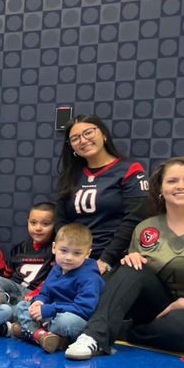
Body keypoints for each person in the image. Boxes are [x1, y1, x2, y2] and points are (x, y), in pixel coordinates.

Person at [66, 156, 184, 359]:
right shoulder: (146, 228)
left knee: (180, 328)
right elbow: (137, 278)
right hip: (159, 308)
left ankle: (126, 332)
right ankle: (94, 336)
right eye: (172, 181)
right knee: (130, 269)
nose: (180, 186)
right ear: (160, 188)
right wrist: (130, 260)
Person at [56, 114, 150, 273]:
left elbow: (134, 219)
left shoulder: (129, 170)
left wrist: (106, 261)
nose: (83, 140)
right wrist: (69, 255)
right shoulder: (71, 175)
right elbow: (60, 219)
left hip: (116, 258)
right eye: (75, 138)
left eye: (88, 132)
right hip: (76, 258)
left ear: (104, 134)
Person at [11, 223, 104, 353]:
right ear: (54, 248)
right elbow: (45, 293)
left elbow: (84, 309)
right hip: (49, 314)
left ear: (87, 253)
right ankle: (45, 336)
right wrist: (39, 301)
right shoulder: (57, 268)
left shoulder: (90, 277)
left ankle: (30, 331)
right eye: (64, 251)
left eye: (77, 253)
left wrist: (50, 310)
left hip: (73, 318)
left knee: (66, 322)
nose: (69, 257)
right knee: (22, 306)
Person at [0, 201, 56, 305]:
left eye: (45, 224)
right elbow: (7, 275)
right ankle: (5, 311)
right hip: (15, 290)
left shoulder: (56, 250)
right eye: (33, 223)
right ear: (28, 222)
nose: (38, 228)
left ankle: (10, 315)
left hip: (37, 297)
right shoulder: (19, 248)